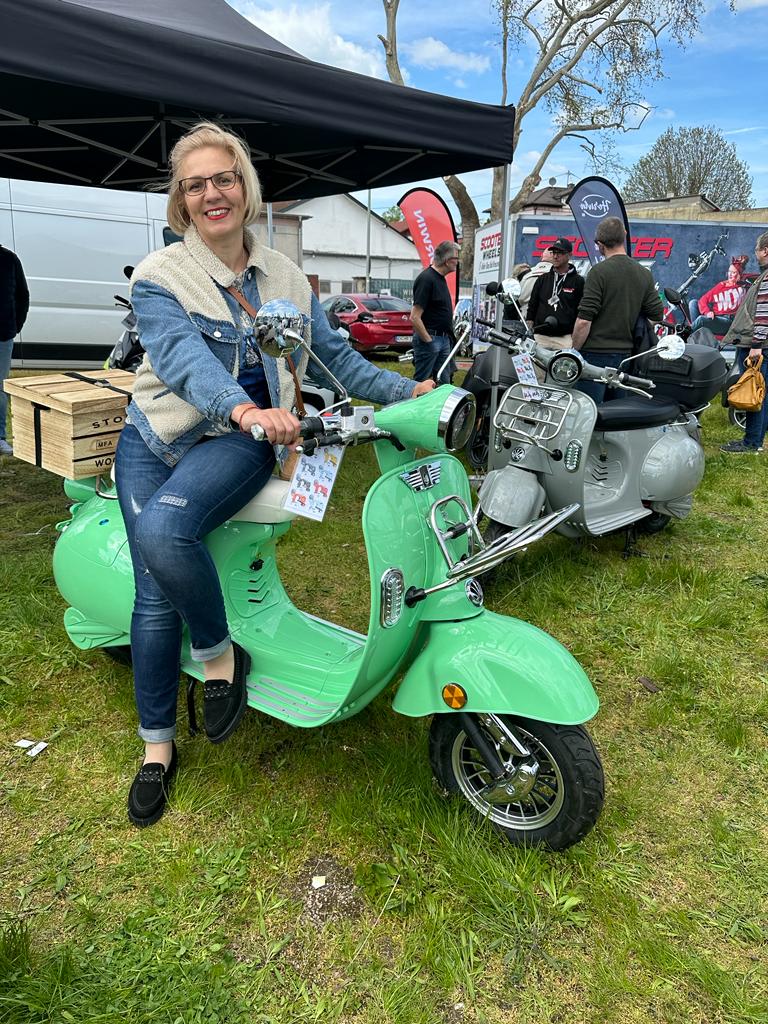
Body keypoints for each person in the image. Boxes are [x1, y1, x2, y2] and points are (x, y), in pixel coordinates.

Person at [117, 122, 436, 828]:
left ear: (245, 186)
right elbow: (181, 360)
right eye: (195, 185)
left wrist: (406, 391)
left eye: (223, 179)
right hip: (157, 436)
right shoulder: (159, 275)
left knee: (166, 533)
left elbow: (336, 360)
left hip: (239, 443)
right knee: (152, 595)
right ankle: (161, 742)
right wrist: (244, 407)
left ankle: (214, 657)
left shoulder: (287, 277)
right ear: (181, 201)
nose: (212, 194)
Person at [571, 217, 664, 403]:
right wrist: (633, 326)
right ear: (625, 236)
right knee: (618, 412)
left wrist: (573, 351)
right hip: (626, 357)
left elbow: (584, 321)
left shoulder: (598, 272)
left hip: (593, 356)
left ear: (600, 244)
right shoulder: (643, 273)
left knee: (589, 411)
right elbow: (657, 315)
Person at [720, 232, 768, 454]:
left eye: (757, 250)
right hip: (761, 345)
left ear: (765, 250)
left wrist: (756, 345)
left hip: (758, 347)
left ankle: (751, 443)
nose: (755, 255)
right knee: (761, 394)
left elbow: (763, 314)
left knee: (752, 392)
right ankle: (755, 441)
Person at [410, 240, 460, 385]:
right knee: (422, 384)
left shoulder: (440, 279)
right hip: (431, 339)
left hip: (443, 340)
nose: (457, 262)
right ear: (447, 260)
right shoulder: (426, 279)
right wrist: (428, 341)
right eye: (456, 258)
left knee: (444, 383)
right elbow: (414, 317)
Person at [526, 238, 584, 350]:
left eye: (560, 253)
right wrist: (529, 330)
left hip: (565, 339)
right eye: (554, 253)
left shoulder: (578, 281)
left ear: (569, 255)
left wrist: (575, 336)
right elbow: (532, 306)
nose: (556, 256)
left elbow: (580, 310)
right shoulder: (542, 279)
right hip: (540, 337)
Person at [0, 243, 30, 455]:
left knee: (0, 388)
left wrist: (14, 326)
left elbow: (22, 296)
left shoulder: (9, 259)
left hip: (3, 335)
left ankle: (0, 437)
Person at [690, 258, 748, 337]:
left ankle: (684, 335)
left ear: (739, 275)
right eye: (729, 271)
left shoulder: (743, 287)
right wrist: (707, 312)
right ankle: (697, 335)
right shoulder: (721, 285)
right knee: (693, 303)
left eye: (733, 272)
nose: (730, 274)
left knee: (701, 319)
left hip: (728, 321)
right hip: (715, 317)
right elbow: (703, 299)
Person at [517, 251, 553, 321]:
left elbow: (519, 299)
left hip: (525, 320)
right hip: (550, 320)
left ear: (541, 257)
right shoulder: (558, 274)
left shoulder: (525, 275)